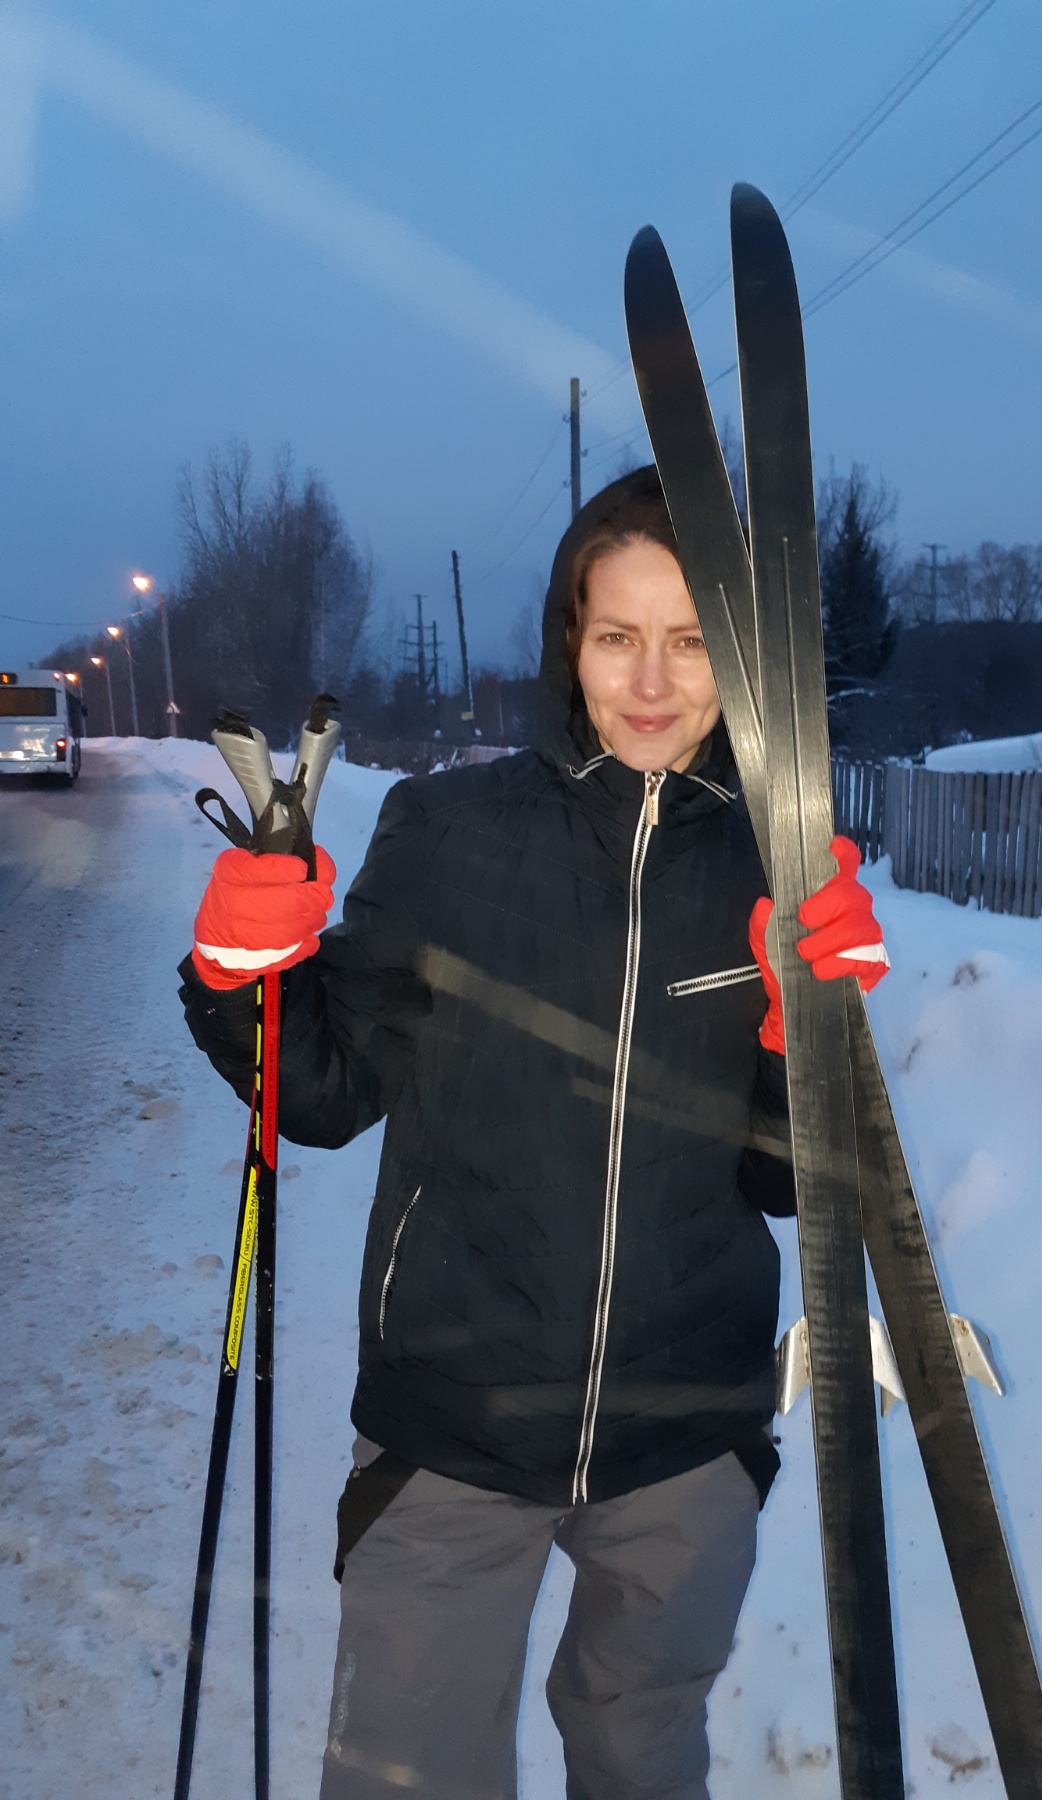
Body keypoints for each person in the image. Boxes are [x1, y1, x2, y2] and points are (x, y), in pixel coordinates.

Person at [180, 466, 889, 1800]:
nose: (653, 682)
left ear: (740, 660)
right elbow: (322, 1093)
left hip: (684, 1442)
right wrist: (241, 975)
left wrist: (804, 1036)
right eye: (618, 635)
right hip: (453, 1428)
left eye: (692, 641)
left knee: (642, 1757)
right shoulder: (447, 832)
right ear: (571, 639)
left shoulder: (776, 864)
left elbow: (781, 1179)